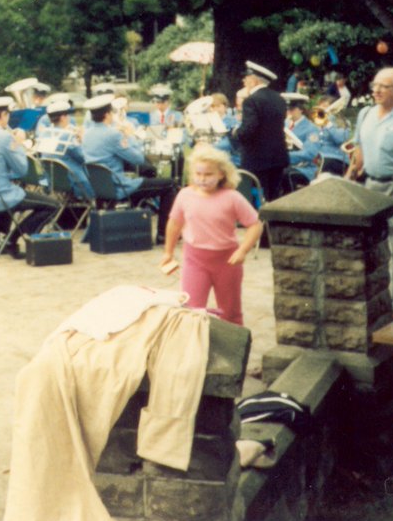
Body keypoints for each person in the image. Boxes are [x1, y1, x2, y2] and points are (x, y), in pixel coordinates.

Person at [160, 146, 263, 325]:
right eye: (198, 174)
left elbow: (255, 225)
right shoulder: (185, 195)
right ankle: (194, 347)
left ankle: (233, 349)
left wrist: (243, 250)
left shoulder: (232, 197)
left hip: (227, 261)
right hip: (195, 259)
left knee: (230, 311)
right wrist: (168, 252)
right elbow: (174, 223)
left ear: (221, 174)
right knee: (191, 309)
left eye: (208, 174)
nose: (202, 179)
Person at [346, 67, 393, 310]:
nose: (376, 90)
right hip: (371, 186)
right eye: (375, 85)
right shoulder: (365, 113)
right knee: (369, 244)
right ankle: (374, 298)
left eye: (384, 86)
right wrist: (350, 176)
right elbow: (359, 151)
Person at [0, 97, 59, 256]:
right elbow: (22, 170)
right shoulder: (5, 137)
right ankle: (12, 238)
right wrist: (18, 144)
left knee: (11, 192)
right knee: (53, 205)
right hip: (0, 195)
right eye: (8, 115)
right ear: (3, 115)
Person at [81, 96, 178, 243]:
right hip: (120, 187)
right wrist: (129, 135)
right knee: (170, 184)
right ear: (107, 114)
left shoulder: (86, 134)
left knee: (150, 179)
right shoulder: (113, 134)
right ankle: (163, 234)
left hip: (101, 187)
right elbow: (138, 159)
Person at [230, 61, 289, 201]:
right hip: (278, 157)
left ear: (254, 80)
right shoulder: (279, 98)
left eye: (247, 77)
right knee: (273, 198)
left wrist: (235, 133)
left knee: (255, 199)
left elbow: (249, 129)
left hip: (257, 159)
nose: (244, 80)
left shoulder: (251, 100)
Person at [37, 100, 93, 199]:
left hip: (55, 181)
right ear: (63, 117)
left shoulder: (44, 134)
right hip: (75, 182)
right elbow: (84, 158)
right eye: (67, 115)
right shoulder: (68, 136)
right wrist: (82, 139)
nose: (69, 118)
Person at [283, 93, 321, 182]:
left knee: (282, 174)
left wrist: (284, 157)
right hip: (285, 163)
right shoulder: (285, 124)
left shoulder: (311, 128)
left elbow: (310, 153)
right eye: (286, 109)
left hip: (304, 168)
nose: (288, 112)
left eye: (291, 109)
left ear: (301, 110)